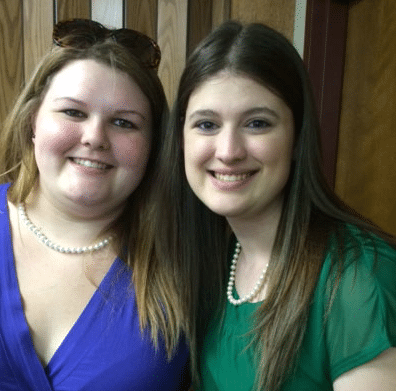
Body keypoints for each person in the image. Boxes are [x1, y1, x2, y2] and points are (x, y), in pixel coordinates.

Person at [0, 18, 190, 390]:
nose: (95, 137)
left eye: (124, 123)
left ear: (153, 145)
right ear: (33, 121)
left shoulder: (185, 260)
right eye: (73, 112)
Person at [156, 20, 396, 391]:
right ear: (181, 140)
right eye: (206, 124)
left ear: (298, 139)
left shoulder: (358, 276)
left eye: (257, 123)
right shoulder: (212, 258)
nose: (229, 151)